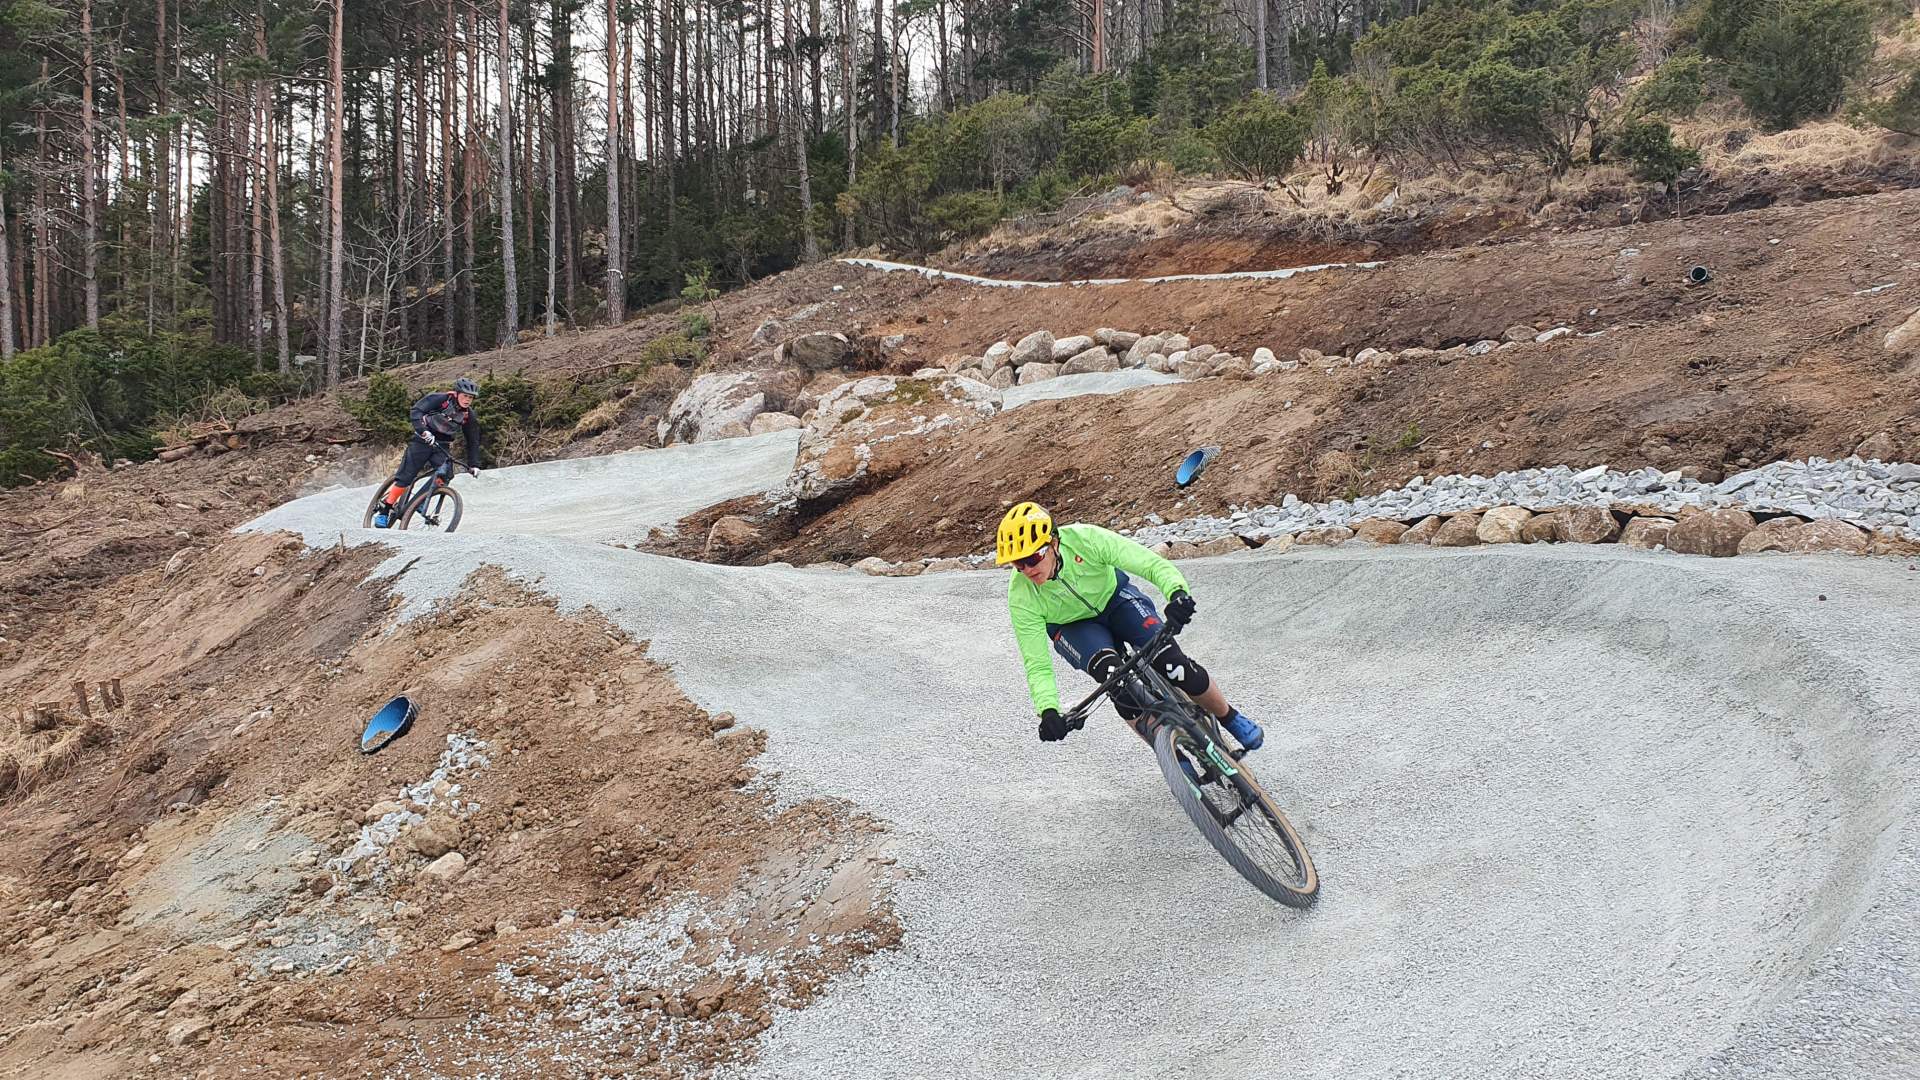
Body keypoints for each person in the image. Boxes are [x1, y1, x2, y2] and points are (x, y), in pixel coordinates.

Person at [997, 501, 1264, 750]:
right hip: (1073, 628)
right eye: (1017, 563)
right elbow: (1036, 662)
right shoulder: (1021, 594)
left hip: (1117, 601)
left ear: (1053, 542)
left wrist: (1177, 593)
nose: (1027, 570)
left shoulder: (1087, 539)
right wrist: (1048, 709)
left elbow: (1149, 564)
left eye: (1032, 558)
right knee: (1116, 682)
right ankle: (1172, 758)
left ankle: (1229, 717)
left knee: (1175, 665)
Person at [372, 377, 483, 529]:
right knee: (406, 476)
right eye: (465, 396)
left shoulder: (468, 415)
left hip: (441, 445)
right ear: (456, 394)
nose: (468, 400)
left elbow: (473, 441)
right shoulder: (440, 399)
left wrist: (474, 464)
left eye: (470, 397)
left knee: (446, 474)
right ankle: (385, 510)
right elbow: (416, 411)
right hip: (422, 440)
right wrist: (423, 431)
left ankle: (422, 500)